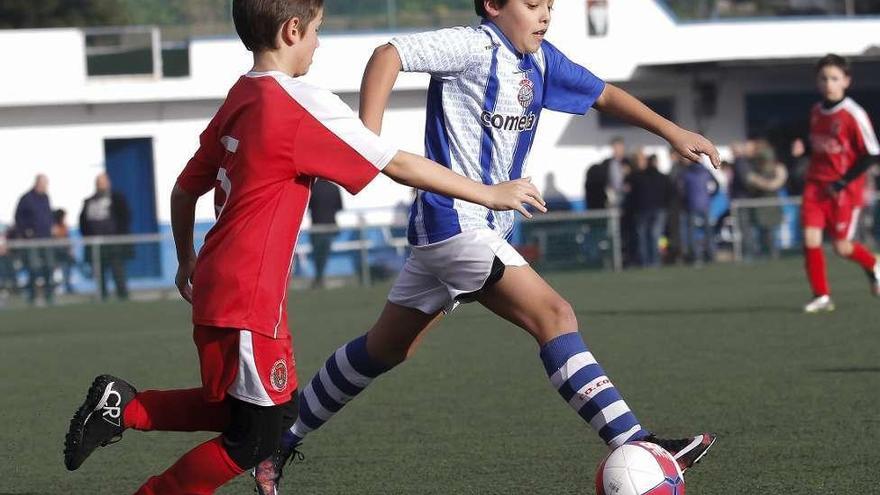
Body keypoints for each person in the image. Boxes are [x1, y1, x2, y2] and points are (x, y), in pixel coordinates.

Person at [61, 2, 544, 494]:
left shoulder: (241, 95)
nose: (318, 42)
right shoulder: (299, 102)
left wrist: (186, 257)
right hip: (246, 294)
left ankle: (123, 407)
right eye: (317, 31)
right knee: (258, 436)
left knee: (252, 410)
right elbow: (396, 164)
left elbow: (185, 190)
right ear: (292, 31)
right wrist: (488, 192)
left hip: (221, 284)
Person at [255, 1, 720, 492]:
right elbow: (388, 52)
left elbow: (603, 94)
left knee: (386, 348)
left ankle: (278, 440)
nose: (545, 14)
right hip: (454, 223)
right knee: (555, 315)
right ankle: (640, 442)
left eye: (549, 5)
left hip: (471, 232)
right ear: (494, 6)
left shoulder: (540, 60)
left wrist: (672, 131)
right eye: (532, 4)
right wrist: (368, 138)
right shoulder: (472, 45)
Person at [801, 54, 880, 313]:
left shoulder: (853, 114)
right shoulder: (814, 111)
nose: (828, 83)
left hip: (844, 191)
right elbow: (821, 148)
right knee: (810, 238)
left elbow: (871, 153)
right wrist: (801, 148)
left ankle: (873, 262)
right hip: (816, 186)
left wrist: (843, 181)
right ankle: (821, 295)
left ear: (846, 81)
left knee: (841, 247)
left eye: (834, 78)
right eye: (823, 78)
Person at [79, 173, 132, 301]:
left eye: (103, 182)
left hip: (114, 244)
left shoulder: (117, 198)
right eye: (98, 182)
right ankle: (102, 296)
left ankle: (122, 295)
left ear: (108, 183)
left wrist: (120, 237)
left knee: (117, 270)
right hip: (97, 245)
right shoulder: (89, 201)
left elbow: (125, 217)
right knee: (99, 272)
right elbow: (83, 222)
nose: (100, 185)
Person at [14, 174, 55, 305]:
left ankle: (49, 295)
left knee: (49, 266)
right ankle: (32, 295)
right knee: (33, 267)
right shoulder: (26, 198)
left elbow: (48, 215)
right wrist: (26, 231)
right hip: (32, 241)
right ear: (37, 183)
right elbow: (18, 217)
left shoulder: (46, 197)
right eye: (43, 184)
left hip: (46, 238)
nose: (45, 186)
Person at [627, 153, 672, 267]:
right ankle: (655, 261)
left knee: (643, 236)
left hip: (643, 209)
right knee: (656, 236)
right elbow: (670, 193)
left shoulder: (638, 176)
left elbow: (631, 193)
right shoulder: (663, 177)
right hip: (659, 210)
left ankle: (645, 261)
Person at [744, 144, 788, 259]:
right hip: (759, 208)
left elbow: (775, 184)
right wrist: (761, 182)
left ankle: (773, 254)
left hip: (772, 207)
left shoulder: (778, 168)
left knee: (772, 233)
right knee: (761, 233)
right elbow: (751, 181)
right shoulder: (755, 170)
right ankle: (762, 254)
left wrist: (763, 183)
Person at [678, 158, 719, 265]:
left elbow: (681, 189)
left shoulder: (686, 173)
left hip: (691, 204)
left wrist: (684, 200)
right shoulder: (706, 171)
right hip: (705, 204)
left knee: (692, 232)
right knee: (708, 231)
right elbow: (717, 186)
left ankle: (695, 256)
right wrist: (710, 196)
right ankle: (711, 255)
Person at [307, 179, 343, 288]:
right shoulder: (334, 188)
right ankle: (320, 278)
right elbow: (339, 207)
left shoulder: (312, 188)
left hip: (316, 226)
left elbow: (307, 207)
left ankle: (319, 278)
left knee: (318, 255)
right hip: (330, 226)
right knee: (324, 254)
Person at [585, 136, 628, 210]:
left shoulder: (628, 162)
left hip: (626, 197)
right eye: (615, 147)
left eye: (619, 147)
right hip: (612, 196)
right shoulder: (607, 163)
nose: (617, 150)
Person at [52, 209, 76, 295]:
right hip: (55, 253)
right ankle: (54, 288)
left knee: (67, 270)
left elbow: (67, 240)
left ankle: (68, 287)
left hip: (64, 254)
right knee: (54, 271)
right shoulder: (53, 226)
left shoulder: (64, 226)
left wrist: (70, 250)